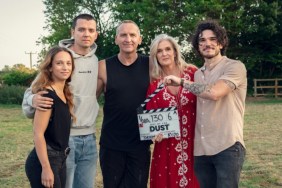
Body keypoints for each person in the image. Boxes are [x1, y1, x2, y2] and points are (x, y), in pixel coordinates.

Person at [164, 20, 247, 188]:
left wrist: (181, 82)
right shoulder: (197, 75)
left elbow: (214, 93)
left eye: (213, 39)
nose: (207, 43)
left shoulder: (235, 66)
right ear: (197, 45)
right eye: (202, 40)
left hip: (227, 146)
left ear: (222, 43)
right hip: (201, 151)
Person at [22, 14, 99, 188]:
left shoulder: (97, 62)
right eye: (81, 29)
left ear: (96, 34)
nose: (86, 34)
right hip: (65, 139)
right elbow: (35, 89)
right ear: (73, 32)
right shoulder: (60, 57)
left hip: (90, 139)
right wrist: (32, 98)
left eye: (91, 30)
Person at [97, 20, 151, 188]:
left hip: (140, 144)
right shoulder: (103, 66)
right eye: (123, 35)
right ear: (116, 39)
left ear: (140, 39)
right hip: (111, 143)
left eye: (132, 35)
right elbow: (88, 97)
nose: (128, 39)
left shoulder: (151, 65)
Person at [146, 34, 199, 188]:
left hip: (194, 143)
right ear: (155, 56)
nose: (164, 54)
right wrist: (154, 134)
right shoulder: (154, 84)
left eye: (168, 49)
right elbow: (150, 118)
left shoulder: (192, 73)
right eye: (159, 51)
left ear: (175, 51)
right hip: (167, 147)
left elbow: (206, 96)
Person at [25, 46, 75, 188]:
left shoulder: (64, 93)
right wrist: (46, 168)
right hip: (45, 161)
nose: (65, 67)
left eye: (68, 63)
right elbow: (38, 133)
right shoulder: (47, 96)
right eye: (59, 63)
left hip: (61, 158)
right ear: (50, 67)